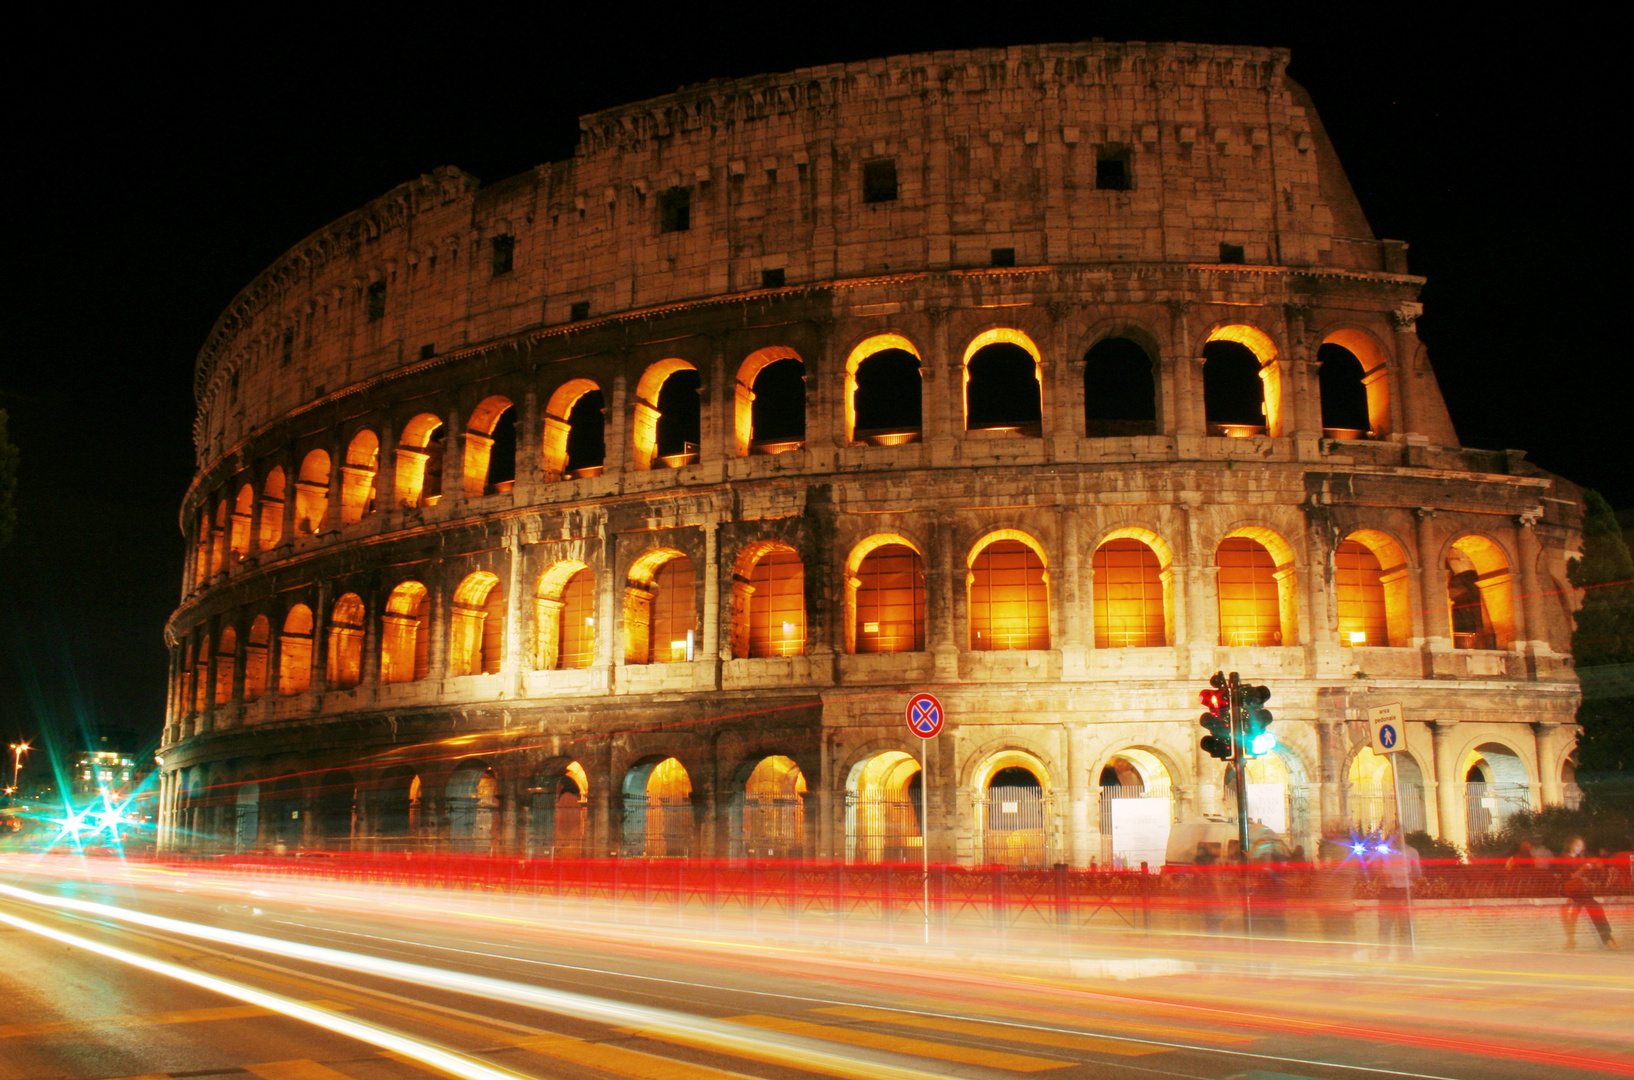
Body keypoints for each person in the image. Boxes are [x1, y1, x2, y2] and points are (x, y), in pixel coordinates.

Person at [1561, 835, 1619, 951]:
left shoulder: (1579, 858)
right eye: (1577, 845)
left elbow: (1583, 875)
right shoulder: (1565, 858)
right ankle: (1608, 938)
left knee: (1595, 907)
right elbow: (1569, 877)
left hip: (1581, 890)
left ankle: (1607, 937)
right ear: (1571, 845)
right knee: (1594, 907)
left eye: (1581, 846)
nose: (1579, 848)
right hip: (1572, 889)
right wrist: (1583, 869)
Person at [1374, 827, 1420, 960]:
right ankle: (1383, 954)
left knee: (1405, 925)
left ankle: (1406, 954)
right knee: (1385, 925)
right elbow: (1375, 868)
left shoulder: (1411, 852)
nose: (1397, 838)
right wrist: (1384, 876)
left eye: (1400, 835)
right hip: (1388, 891)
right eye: (1395, 836)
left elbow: (1417, 872)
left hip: (1404, 891)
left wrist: (1407, 878)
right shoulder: (1384, 851)